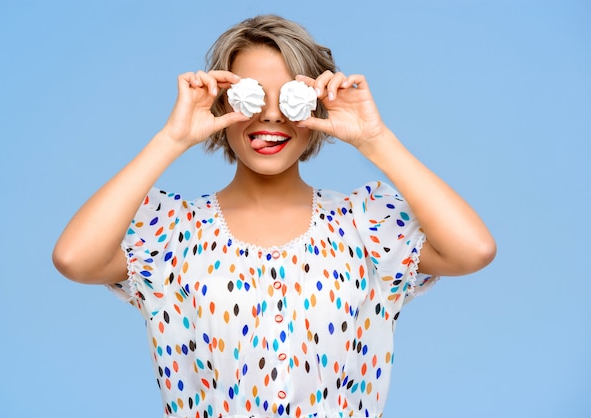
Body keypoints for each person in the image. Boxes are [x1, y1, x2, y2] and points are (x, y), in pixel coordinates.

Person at [53, 14, 496, 418]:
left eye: (290, 97)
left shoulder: (365, 224)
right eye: (250, 97)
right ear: (223, 106)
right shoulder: (174, 233)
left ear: (317, 106)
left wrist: (376, 140)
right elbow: (75, 258)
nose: (269, 114)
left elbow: (473, 250)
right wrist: (172, 138)